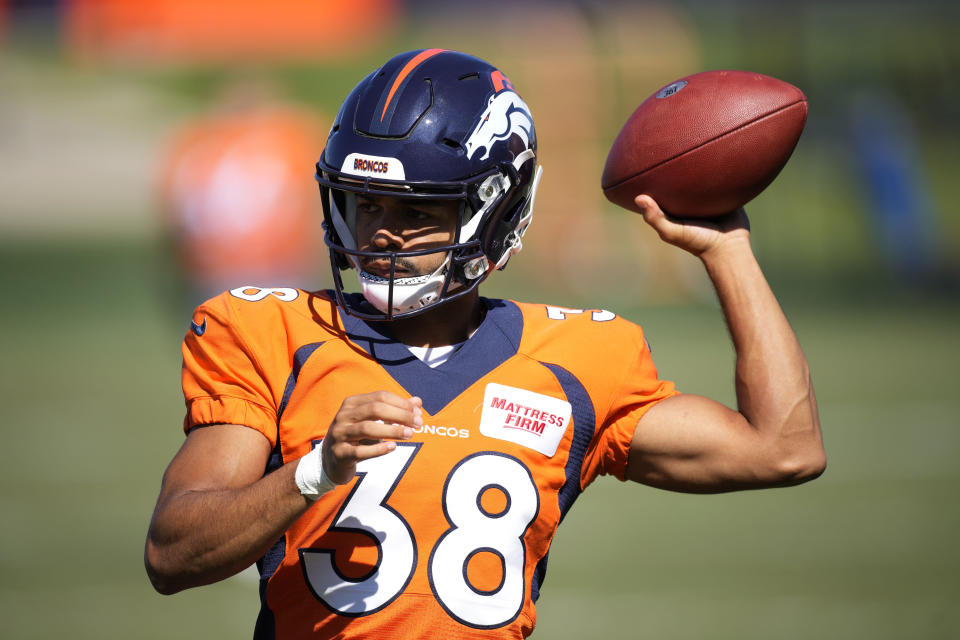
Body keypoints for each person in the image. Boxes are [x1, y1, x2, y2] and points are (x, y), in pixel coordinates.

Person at [145, 49, 825, 639]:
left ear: (496, 213)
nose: (382, 233)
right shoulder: (271, 333)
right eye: (366, 204)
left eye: (417, 211)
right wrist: (314, 471)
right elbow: (173, 555)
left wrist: (727, 251)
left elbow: (785, 448)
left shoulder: (582, 359)